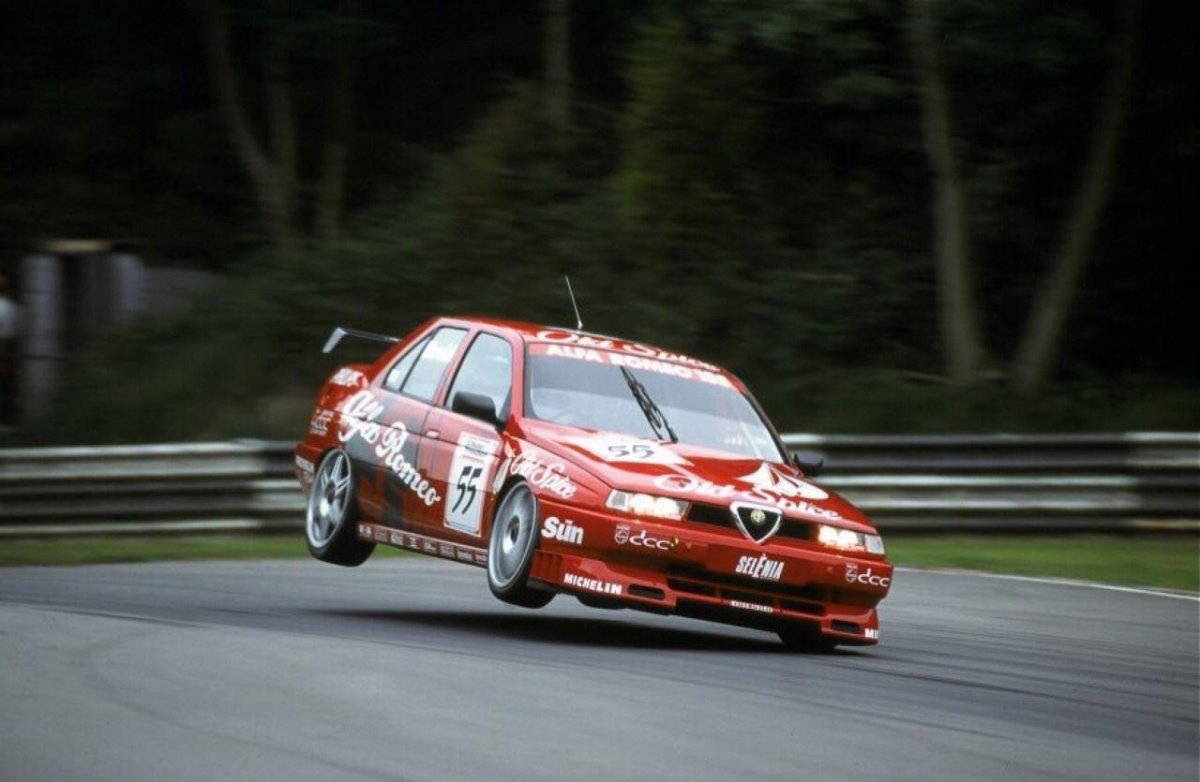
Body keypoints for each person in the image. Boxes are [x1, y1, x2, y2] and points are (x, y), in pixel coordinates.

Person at [0, 275, 18, 424]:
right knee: (5, 385)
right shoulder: (11, 307)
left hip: (4, 351)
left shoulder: (6, 307)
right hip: (7, 352)